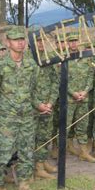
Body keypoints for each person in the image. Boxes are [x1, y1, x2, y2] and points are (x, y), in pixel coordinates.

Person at [0, 26, 44, 190]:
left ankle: (24, 188)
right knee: (2, 155)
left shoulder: (31, 66)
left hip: (27, 117)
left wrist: (39, 105)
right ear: (7, 42)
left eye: (22, 39)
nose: (20, 42)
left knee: (27, 153)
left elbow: (34, 92)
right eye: (15, 39)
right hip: (6, 119)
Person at [66, 33, 95, 163]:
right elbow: (61, 79)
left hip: (83, 98)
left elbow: (91, 76)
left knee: (83, 126)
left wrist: (85, 91)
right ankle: (63, 150)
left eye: (75, 41)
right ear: (67, 43)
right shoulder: (64, 58)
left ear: (79, 42)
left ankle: (84, 152)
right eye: (71, 41)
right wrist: (72, 92)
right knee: (66, 126)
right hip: (69, 99)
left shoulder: (86, 59)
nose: (73, 44)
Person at [33, 33, 58, 179]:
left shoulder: (49, 58)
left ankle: (41, 163)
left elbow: (55, 81)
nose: (41, 43)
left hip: (48, 105)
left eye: (42, 40)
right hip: (33, 107)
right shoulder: (28, 60)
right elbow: (26, 87)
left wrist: (50, 102)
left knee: (44, 136)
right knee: (31, 138)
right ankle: (33, 166)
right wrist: (38, 104)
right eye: (37, 41)